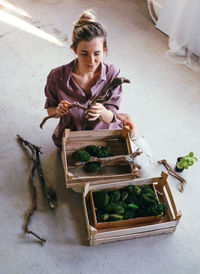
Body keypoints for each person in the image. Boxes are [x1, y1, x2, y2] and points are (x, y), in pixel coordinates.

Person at [44, 10, 123, 150]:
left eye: (97, 53)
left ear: (104, 50)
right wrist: (58, 110)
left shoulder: (112, 74)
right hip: (71, 138)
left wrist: (102, 111)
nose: (91, 61)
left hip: (103, 138)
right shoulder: (57, 77)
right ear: (74, 50)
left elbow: (112, 116)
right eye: (84, 53)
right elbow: (50, 110)